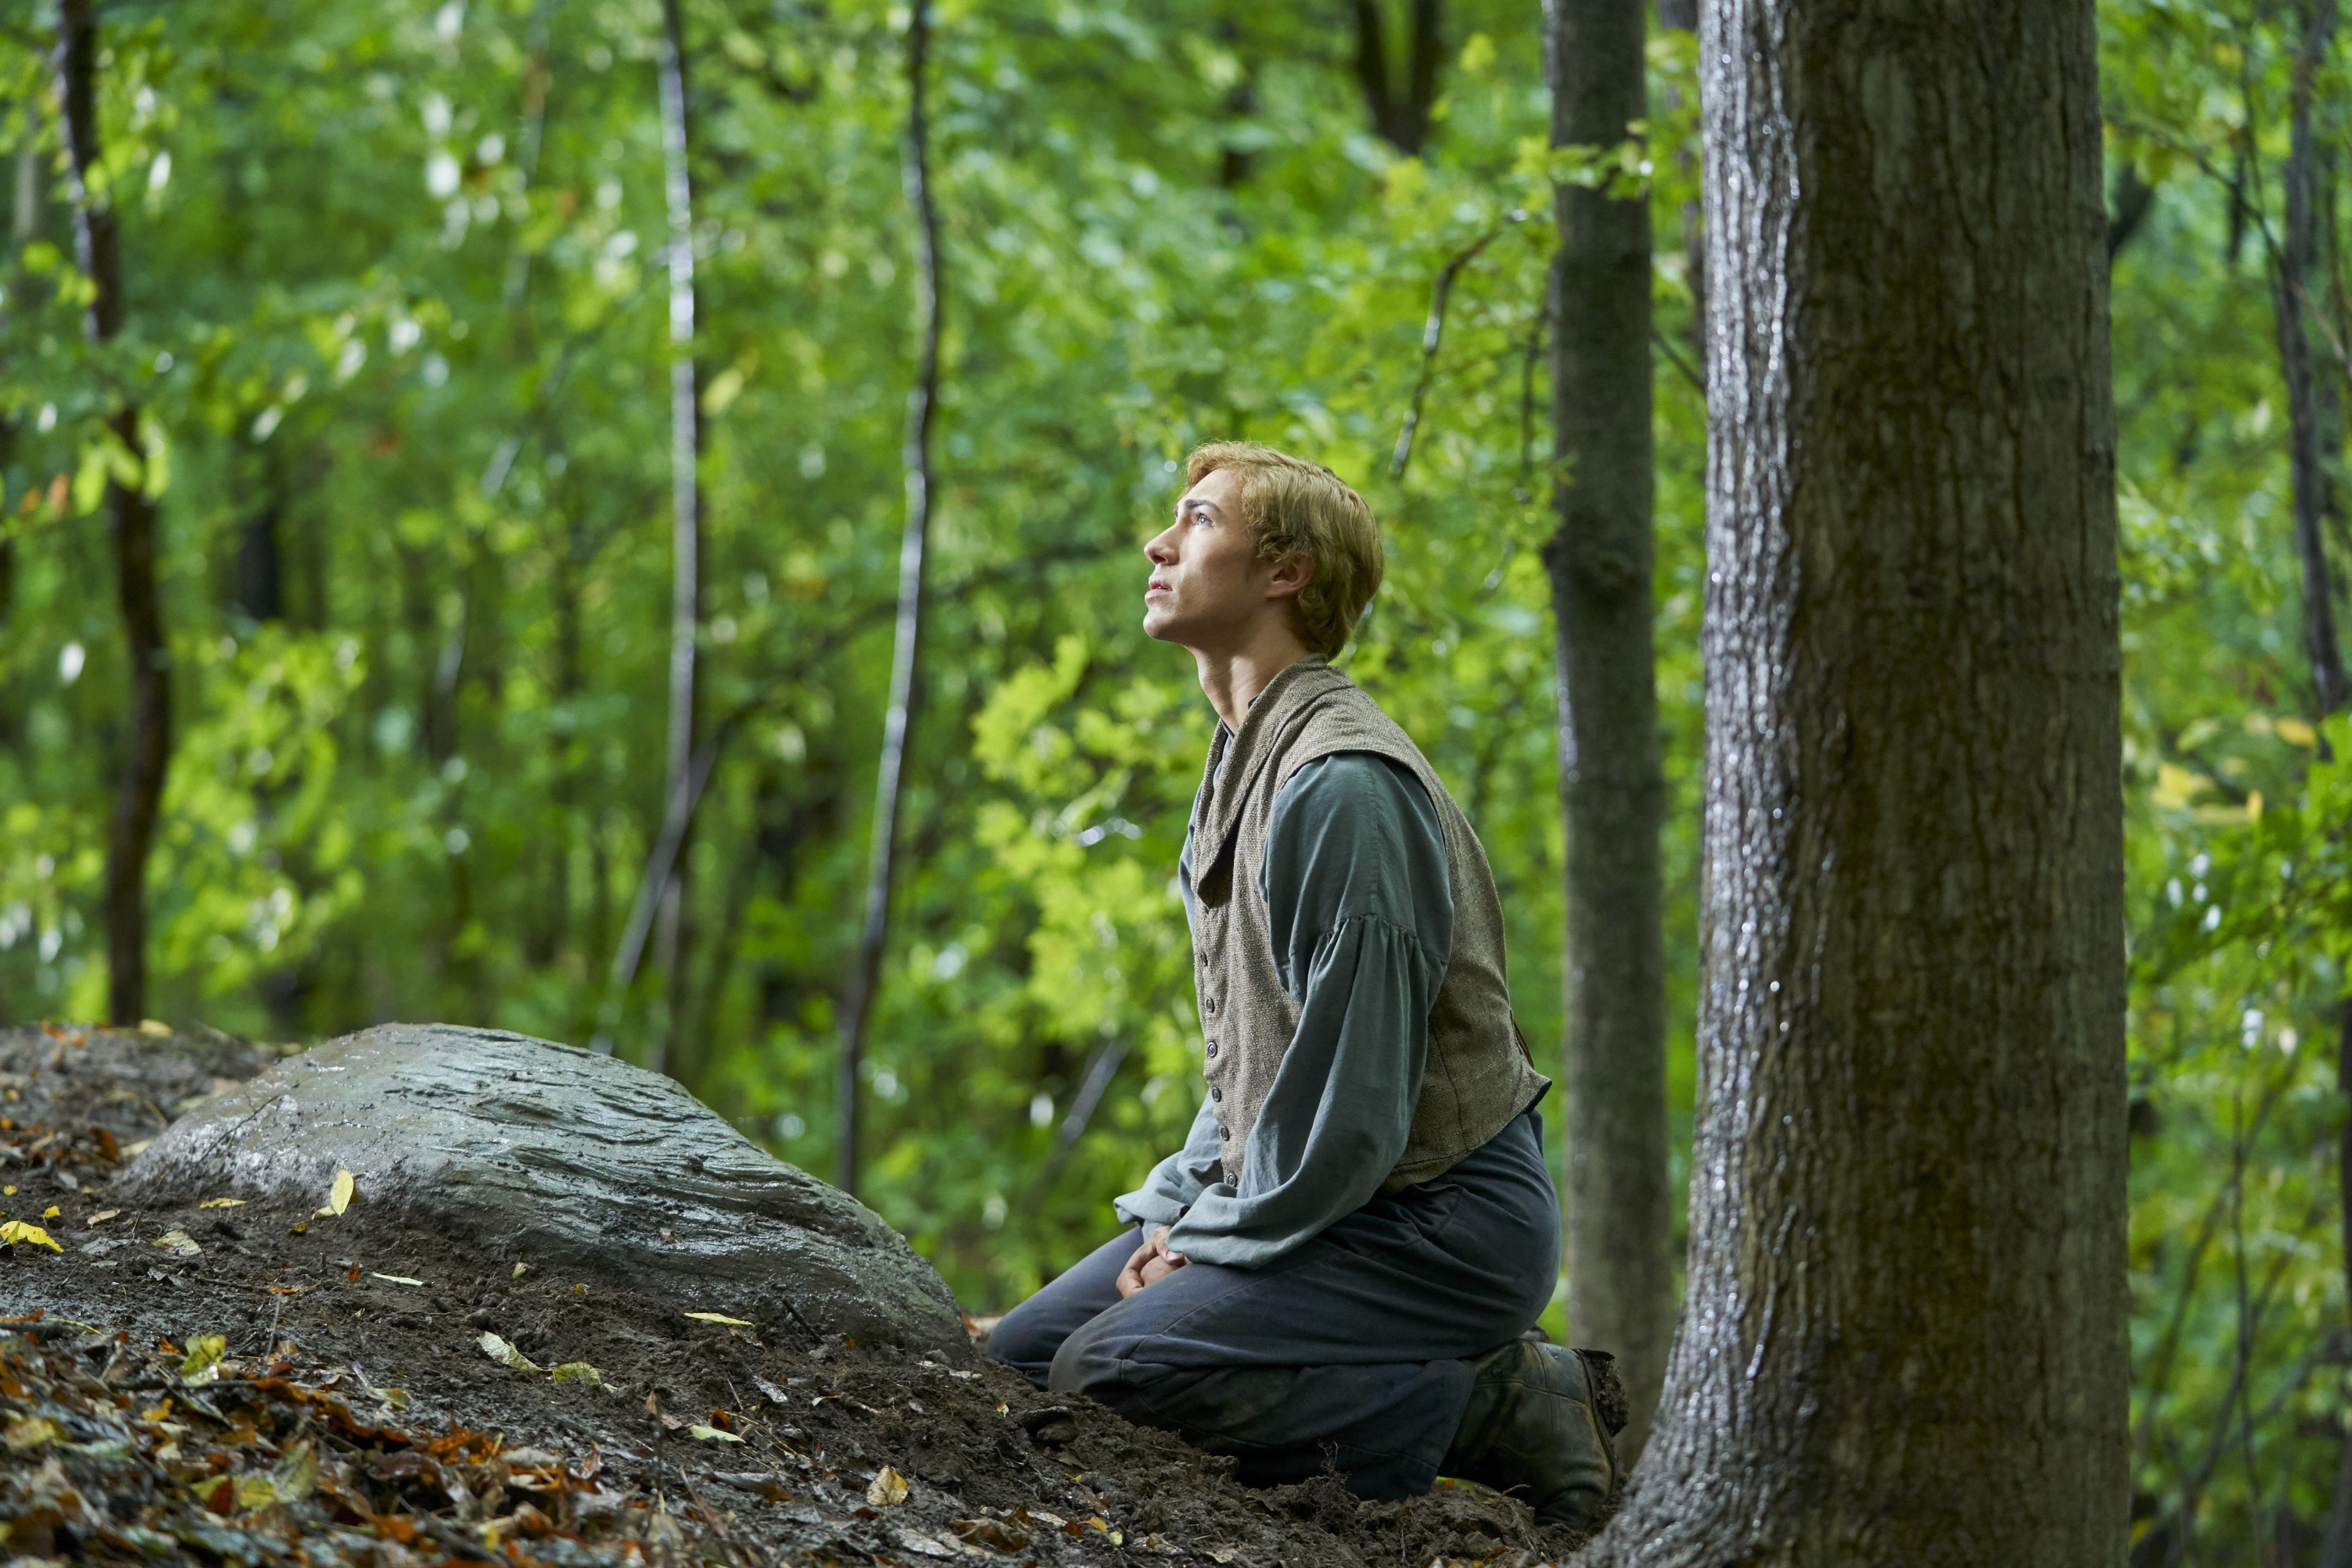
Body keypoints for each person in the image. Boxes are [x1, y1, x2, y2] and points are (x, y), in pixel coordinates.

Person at [987, 442, 1626, 1526]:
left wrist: (1212, 1240)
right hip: (1331, 1197)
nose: (1156, 542)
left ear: (1286, 573)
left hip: (1438, 1224)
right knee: (1021, 1359)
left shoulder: (1341, 786)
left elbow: (1353, 1111)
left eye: (1195, 520)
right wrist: (1176, 1211)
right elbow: (1252, 1065)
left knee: (1110, 1379)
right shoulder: (1242, 764)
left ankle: (1496, 1400)